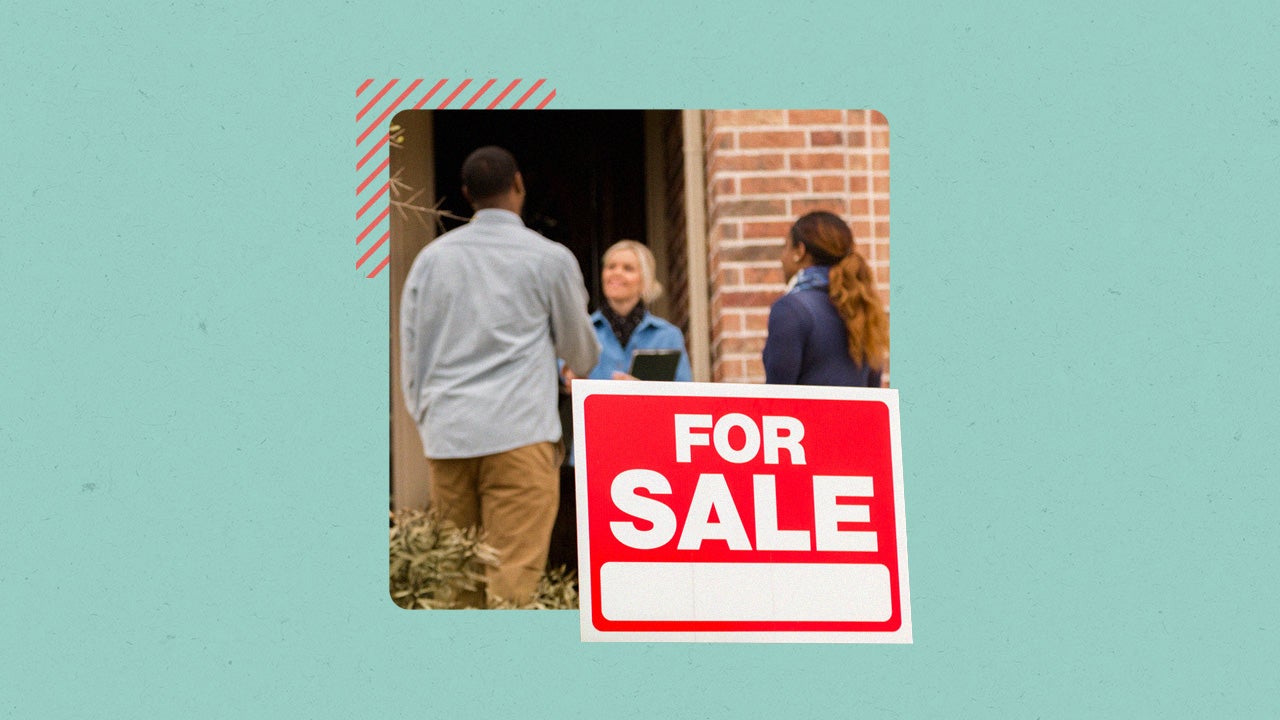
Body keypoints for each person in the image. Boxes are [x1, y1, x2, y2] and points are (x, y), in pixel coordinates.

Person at [399, 146, 600, 608]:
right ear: (519, 184)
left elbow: (412, 352)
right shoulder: (548, 258)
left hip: (449, 437)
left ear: (466, 194)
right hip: (520, 434)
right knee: (513, 583)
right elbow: (581, 352)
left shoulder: (431, 261)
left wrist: (426, 418)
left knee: (454, 583)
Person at [547, 240, 691, 572]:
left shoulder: (667, 335)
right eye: (611, 266)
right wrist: (566, 375)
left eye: (627, 268)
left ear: (645, 279)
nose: (616, 274)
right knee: (589, 547)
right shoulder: (583, 331)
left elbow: (684, 395)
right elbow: (559, 370)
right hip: (589, 453)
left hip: (647, 458)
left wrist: (645, 391)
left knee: (641, 548)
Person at [762, 211, 888, 387]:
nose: (782, 258)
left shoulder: (791, 309)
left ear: (800, 251)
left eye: (786, 247)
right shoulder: (861, 306)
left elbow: (777, 397)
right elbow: (873, 393)